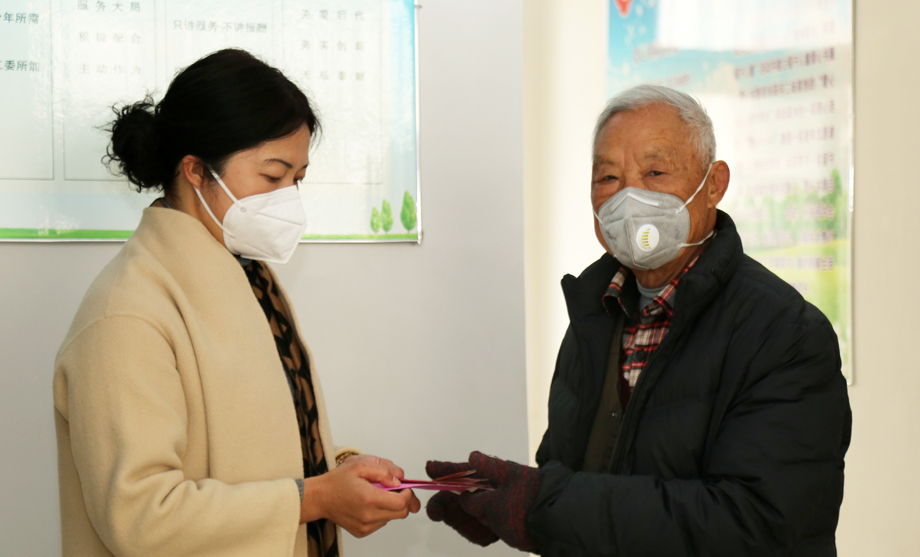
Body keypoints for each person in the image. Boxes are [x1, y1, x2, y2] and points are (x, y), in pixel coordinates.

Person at [425, 84, 852, 556]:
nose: (629, 198)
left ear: (714, 184)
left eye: (655, 172)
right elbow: (572, 478)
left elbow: (758, 525)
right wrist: (508, 505)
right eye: (608, 178)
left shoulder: (785, 334)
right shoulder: (594, 315)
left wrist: (542, 508)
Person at [53, 49, 419, 557]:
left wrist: (339, 472)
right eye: (272, 177)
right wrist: (316, 498)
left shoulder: (248, 278)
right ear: (196, 170)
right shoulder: (127, 313)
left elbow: (252, 449)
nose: (288, 199)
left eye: (297, 179)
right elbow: (141, 515)